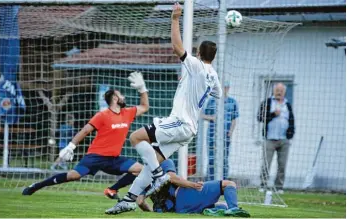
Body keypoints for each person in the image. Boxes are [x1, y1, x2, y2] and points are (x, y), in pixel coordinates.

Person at [105, 2, 222, 214]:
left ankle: (160, 177)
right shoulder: (213, 75)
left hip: (180, 121)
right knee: (153, 161)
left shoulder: (196, 65)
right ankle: (129, 199)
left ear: (198, 53)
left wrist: (175, 18)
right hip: (190, 130)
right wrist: (190, 84)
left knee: (136, 138)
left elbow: (177, 48)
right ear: (213, 57)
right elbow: (217, 94)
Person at [22, 72, 149, 196]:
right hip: (95, 157)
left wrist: (142, 89)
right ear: (115, 98)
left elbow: (144, 106)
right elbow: (85, 130)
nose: (124, 97)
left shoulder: (127, 113)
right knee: (73, 176)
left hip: (113, 159)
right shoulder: (102, 115)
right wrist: (71, 146)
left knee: (140, 169)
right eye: (121, 95)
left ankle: (112, 190)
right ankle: (37, 185)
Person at [121, 159, 250, 217]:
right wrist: (193, 184)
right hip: (184, 197)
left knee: (221, 205)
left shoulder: (143, 176)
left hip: (173, 210)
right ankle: (234, 209)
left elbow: (140, 201)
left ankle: (209, 210)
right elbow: (172, 178)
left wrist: (151, 213)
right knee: (228, 184)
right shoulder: (165, 162)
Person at [257, 82, 295, 194]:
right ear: (273, 91)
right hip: (269, 138)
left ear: (284, 92)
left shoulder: (287, 105)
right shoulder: (267, 102)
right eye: (277, 90)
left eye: (281, 90)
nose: (279, 92)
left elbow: (292, 121)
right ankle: (263, 185)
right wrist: (273, 114)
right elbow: (260, 117)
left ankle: (279, 187)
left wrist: (290, 134)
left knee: (282, 165)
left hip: (284, 139)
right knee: (266, 164)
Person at [201, 82, 239, 180]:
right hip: (212, 135)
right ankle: (210, 180)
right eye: (222, 87)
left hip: (226, 135)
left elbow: (234, 119)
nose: (224, 89)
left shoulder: (232, 102)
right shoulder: (212, 101)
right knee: (211, 158)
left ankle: (224, 180)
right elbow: (203, 115)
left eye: (226, 87)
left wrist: (230, 132)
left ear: (228, 88)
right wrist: (212, 117)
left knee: (224, 159)